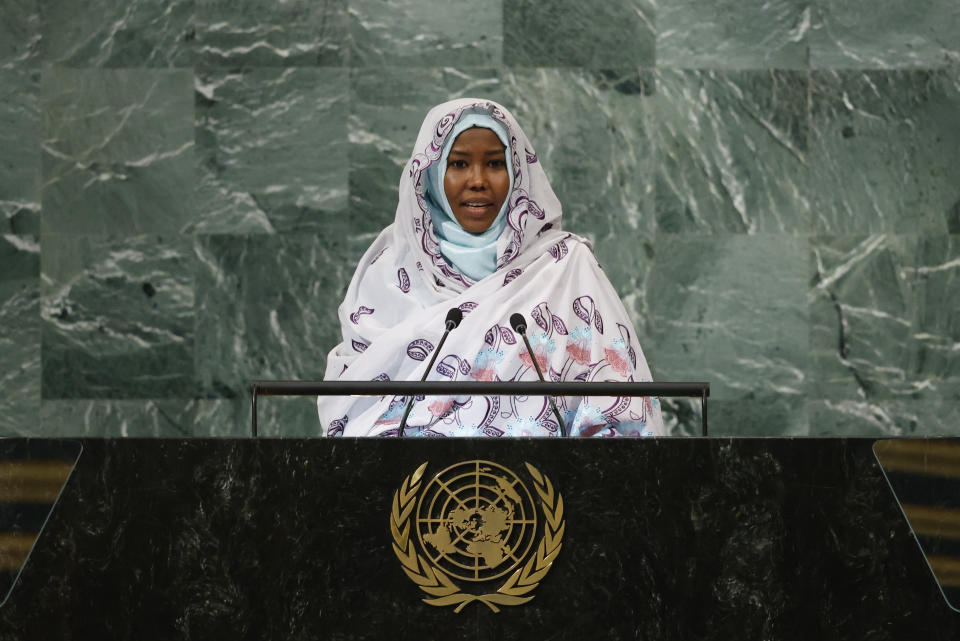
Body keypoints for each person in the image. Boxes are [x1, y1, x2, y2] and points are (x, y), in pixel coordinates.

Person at [318, 98, 664, 437]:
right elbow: (353, 412)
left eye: (496, 164)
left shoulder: (566, 268)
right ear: (430, 174)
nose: (478, 180)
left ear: (518, 171)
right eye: (458, 164)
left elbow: (622, 409)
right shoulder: (387, 275)